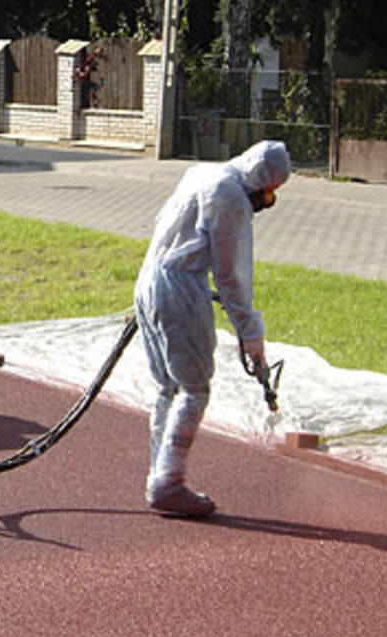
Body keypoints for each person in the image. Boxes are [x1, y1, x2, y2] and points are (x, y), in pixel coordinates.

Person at [134, 140, 291, 517]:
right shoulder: (229, 195)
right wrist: (249, 331)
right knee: (194, 389)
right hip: (180, 289)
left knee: (168, 387)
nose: (265, 202)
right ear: (262, 181)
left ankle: (159, 475)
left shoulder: (202, 173)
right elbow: (231, 273)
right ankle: (168, 482)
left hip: (149, 280)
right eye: (269, 193)